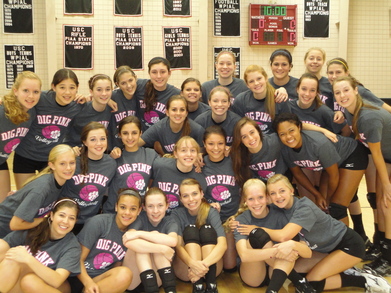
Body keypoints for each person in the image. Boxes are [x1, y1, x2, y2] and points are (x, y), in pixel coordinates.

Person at [264, 174, 391, 293]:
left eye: (282, 191)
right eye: (273, 193)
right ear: (269, 197)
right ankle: (346, 269)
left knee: (312, 283)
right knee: (293, 271)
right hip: (326, 249)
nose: (278, 196)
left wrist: (255, 229)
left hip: (349, 246)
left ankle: (364, 280)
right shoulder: (280, 209)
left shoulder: (303, 207)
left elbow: (284, 235)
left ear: (291, 190)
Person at [327, 58, 390, 259]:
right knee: (379, 202)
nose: (342, 95)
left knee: (386, 202)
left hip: (385, 157)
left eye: (346, 90)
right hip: (386, 156)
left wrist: (387, 184)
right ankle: (380, 245)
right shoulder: (348, 111)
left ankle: (388, 256)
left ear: (356, 90)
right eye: (338, 92)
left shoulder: (367, 117)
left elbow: (377, 155)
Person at [274, 112, 368, 224]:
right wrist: (317, 195)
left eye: (291, 131)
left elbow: (334, 176)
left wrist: (328, 199)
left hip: (352, 155)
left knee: (336, 208)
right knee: (322, 209)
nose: (288, 137)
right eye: (282, 134)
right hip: (331, 164)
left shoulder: (318, 144)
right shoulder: (285, 149)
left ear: (299, 127)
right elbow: (298, 175)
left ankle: (349, 239)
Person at [228, 178, 314, 293]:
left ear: (267, 198)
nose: (256, 203)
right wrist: (279, 251)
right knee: (258, 234)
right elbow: (244, 255)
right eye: (251, 199)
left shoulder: (280, 213)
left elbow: (306, 251)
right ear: (245, 201)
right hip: (253, 275)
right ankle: (297, 280)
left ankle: (272, 290)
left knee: (290, 246)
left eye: (260, 197)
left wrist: (290, 248)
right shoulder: (241, 220)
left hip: (276, 271)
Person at [13, 68, 83, 189]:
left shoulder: (77, 106)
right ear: (53, 87)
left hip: (50, 159)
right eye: (62, 87)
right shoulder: (40, 98)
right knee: (23, 196)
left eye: (72, 87)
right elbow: (19, 98)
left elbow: (97, 103)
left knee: (47, 198)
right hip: (25, 155)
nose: (67, 92)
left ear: (77, 88)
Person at [0, 198, 81, 293]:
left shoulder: (72, 246)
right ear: (51, 216)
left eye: (71, 218)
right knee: (9, 256)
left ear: (75, 222)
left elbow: (57, 281)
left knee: (30, 281)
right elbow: (4, 245)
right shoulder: (35, 229)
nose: (66, 221)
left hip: (50, 286)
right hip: (21, 283)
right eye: (61, 215)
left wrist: (28, 259)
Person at [70, 188, 143, 293]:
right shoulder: (99, 222)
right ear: (116, 206)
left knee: (125, 274)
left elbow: (116, 266)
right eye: (123, 207)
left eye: (133, 209)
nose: (127, 213)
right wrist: (88, 283)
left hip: (99, 281)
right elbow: (78, 259)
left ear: (139, 210)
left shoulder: (132, 235)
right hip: (78, 276)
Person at [0, 144, 76, 238]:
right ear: (52, 165)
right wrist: (45, 219)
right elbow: (15, 224)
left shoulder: (62, 182)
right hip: (4, 230)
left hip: (15, 233)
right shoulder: (41, 190)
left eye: (72, 163)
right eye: (62, 163)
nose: (68, 168)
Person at [172, 178, 227, 293]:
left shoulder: (210, 211)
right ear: (181, 199)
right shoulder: (177, 214)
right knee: (191, 230)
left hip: (209, 268)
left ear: (202, 194)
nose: (191, 199)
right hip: (187, 270)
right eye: (185, 196)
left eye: (194, 194)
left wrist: (202, 266)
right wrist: (193, 264)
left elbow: (223, 244)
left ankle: (211, 286)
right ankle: (198, 287)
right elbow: (178, 246)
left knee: (207, 231)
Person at [60, 122, 116, 233]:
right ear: (84, 142)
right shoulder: (73, 161)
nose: (99, 143)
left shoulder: (111, 163)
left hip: (91, 221)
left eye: (102, 139)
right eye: (93, 140)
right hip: (67, 219)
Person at [122, 187, 179, 293]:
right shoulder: (141, 218)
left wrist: (139, 234)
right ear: (144, 207)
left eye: (160, 206)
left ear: (167, 206)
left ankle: (170, 290)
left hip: (157, 279)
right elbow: (127, 239)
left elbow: (173, 241)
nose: (155, 211)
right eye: (150, 206)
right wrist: (161, 249)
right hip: (133, 279)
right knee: (143, 244)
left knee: (153, 236)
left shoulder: (170, 221)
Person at [202, 125, 240, 272]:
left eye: (220, 143)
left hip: (231, 217)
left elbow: (244, 190)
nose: (216, 148)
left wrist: (238, 215)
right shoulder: (199, 164)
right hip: (210, 219)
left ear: (226, 144)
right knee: (215, 268)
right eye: (211, 144)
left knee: (230, 266)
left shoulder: (234, 161)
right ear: (204, 145)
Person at [0, 71, 41, 202]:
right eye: (26, 91)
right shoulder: (3, 112)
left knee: (3, 204)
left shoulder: (32, 113)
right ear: (15, 91)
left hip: (1, 161)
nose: (31, 96)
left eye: (36, 92)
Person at [104, 116, 158, 214]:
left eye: (134, 133)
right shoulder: (115, 157)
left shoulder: (151, 154)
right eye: (125, 133)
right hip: (114, 212)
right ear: (119, 135)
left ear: (140, 133)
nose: (130, 137)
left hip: (138, 212)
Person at [150, 136, 207, 211]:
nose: (189, 154)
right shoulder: (160, 165)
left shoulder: (200, 179)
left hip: (178, 219)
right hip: (155, 213)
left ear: (197, 154)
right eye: (183, 150)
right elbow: (148, 180)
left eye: (192, 150)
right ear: (176, 154)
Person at [231, 65, 290, 134]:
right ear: (247, 85)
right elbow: (237, 129)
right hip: (250, 142)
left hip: (273, 142)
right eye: (251, 81)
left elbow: (286, 128)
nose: (256, 83)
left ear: (266, 78)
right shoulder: (241, 100)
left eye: (259, 79)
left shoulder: (279, 98)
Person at [231, 117, 288, 188]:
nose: (250, 138)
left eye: (252, 132)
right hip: (259, 188)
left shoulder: (275, 141)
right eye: (244, 137)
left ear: (258, 130)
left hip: (281, 182)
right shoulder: (239, 154)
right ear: (240, 140)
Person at [140, 95, 205, 155]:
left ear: (186, 113)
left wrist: (199, 156)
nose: (178, 113)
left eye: (182, 110)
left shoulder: (197, 129)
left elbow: (202, 153)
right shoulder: (159, 127)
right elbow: (138, 143)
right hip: (169, 163)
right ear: (167, 112)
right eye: (174, 110)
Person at [326, 57, 391, 113]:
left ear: (347, 73)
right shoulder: (334, 90)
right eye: (331, 73)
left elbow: (386, 108)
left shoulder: (359, 90)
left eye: (338, 72)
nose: (334, 76)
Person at [66, 74, 113, 147]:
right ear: (91, 92)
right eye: (99, 90)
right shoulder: (80, 109)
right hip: (78, 153)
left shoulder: (112, 109)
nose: (104, 93)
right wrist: (71, 149)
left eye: (107, 89)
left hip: (99, 152)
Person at [135, 57, 180, 130]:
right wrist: (110, 101)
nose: (159, 76)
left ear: (169, 73)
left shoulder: (176, 94)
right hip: (137, 137)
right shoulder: (139, 85)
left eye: (162, 72)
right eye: (154, 72)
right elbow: (120, 88)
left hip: (160, 138)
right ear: (149, 73)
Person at [110, 66, 140, 148]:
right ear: (117, 84)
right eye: (123, 83)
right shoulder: (112, 96)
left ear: (135, 78)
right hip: (114, 147)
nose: (129, 86)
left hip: (132, 145)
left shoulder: (140, 95)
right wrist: (107, 100)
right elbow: (97, 96)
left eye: (130, 80)